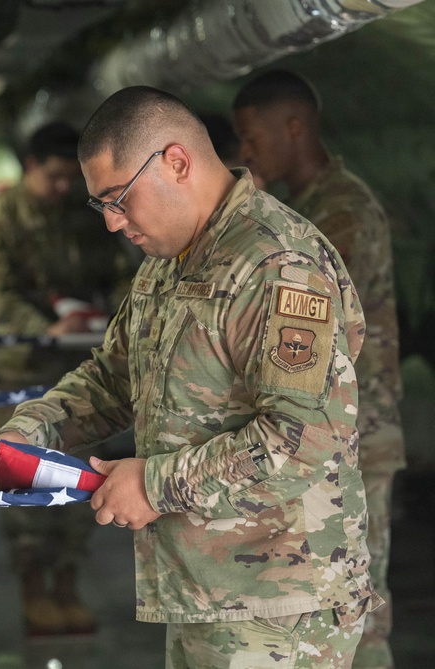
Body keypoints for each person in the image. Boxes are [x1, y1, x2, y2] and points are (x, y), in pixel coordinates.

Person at [0, 86, 381, 668]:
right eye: (101, 206)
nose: (113, 224)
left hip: (280, 604)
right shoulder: (171, 261)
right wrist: (27, 435)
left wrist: (153, 486)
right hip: (204, 590)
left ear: (176, 162)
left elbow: (303, 438)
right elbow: (114, 377)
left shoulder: (277, 263)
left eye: (118, 199)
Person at [233, 69, 405, 669]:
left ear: (294, 127)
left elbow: (293, 313)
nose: (245, 152)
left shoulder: (341, 211)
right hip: (327, 434)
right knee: (326, 608)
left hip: (358, 434)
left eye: (251, 136)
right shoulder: (304, 209)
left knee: (360, 611)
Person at [0, 121, 137, 634]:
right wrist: (44, 329)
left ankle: (66, 584)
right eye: (54, 177)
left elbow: (120, 275)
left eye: (71, 179)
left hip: (78, 372)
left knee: (76, 486)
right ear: (30, 167)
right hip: (18, 373)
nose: (64, 188)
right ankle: (33, 590)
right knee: (23, 492)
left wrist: (112, 315)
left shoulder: (84, 219)